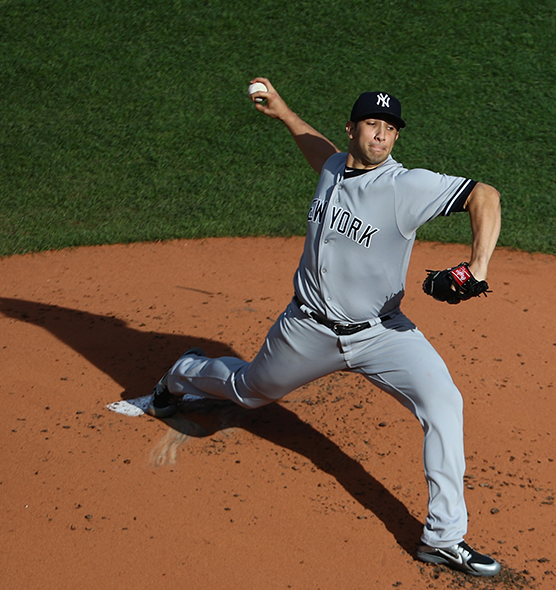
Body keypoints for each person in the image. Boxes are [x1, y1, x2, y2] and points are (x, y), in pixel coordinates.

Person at [147, 79, 503, 577]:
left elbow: (483, 195)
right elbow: (324, 154)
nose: (382, 136)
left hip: (383, 333)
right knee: (249, 390)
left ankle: (443, 537)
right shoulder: (337, 167)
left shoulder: (404, 186)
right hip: (306, 331)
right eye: (373, 125)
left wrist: (478, 268)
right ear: (352, 128)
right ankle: (181, 374)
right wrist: (286, 114)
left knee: (444, 403)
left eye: (391, 129)